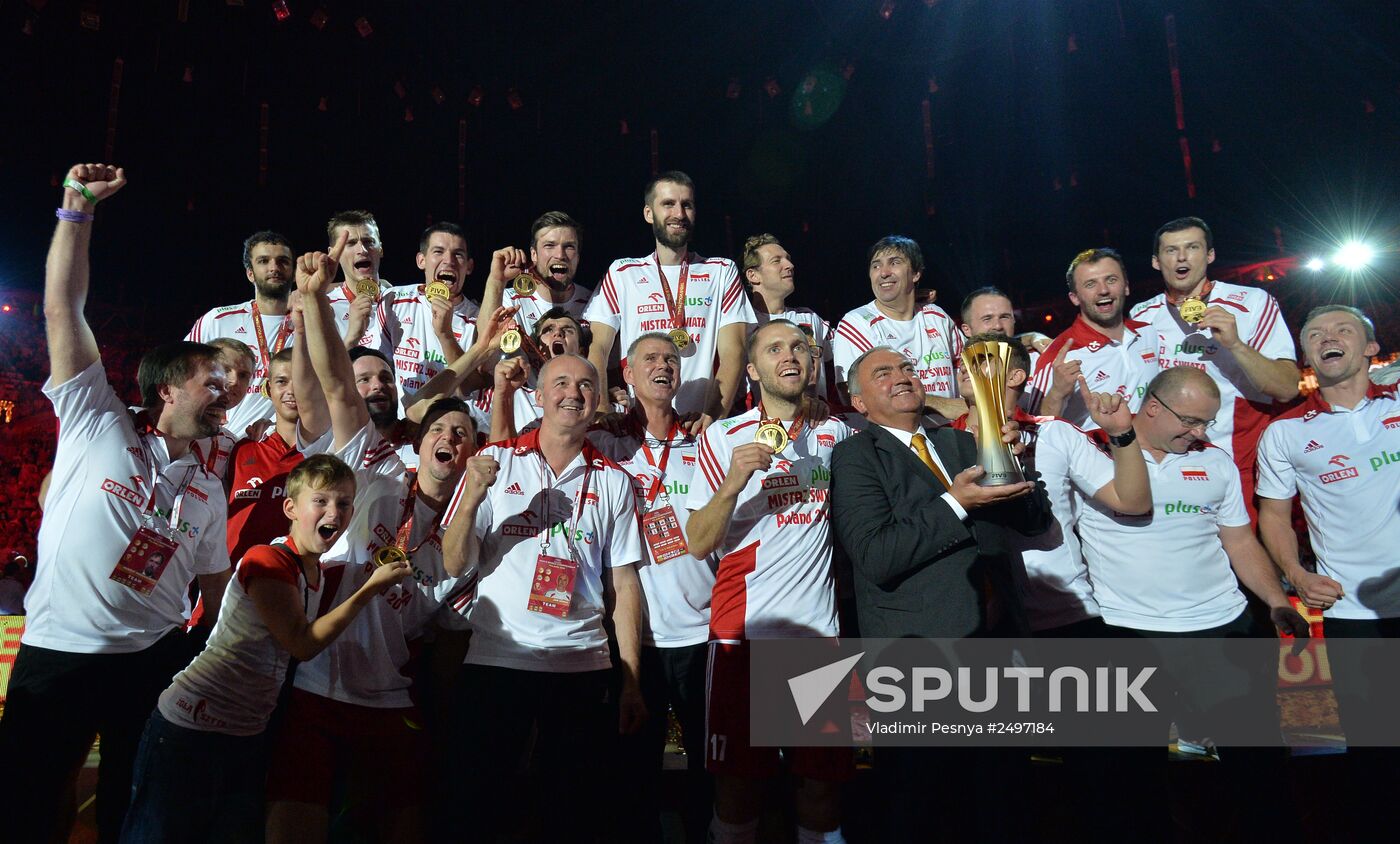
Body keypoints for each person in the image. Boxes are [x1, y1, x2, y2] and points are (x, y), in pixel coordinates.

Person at [0, 163, 233, 844]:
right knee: (26, 808)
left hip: (151, 661)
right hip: (60, 651)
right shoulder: (96, 419)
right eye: (212, 383)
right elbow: (61, 309)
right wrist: (76, 211)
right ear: (167, 388)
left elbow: (215, 580)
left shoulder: (208, 486)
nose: (226, 393)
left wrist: (191, 643)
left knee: (134, 813)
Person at [264, 231, 483, 843]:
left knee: (398, 823)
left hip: (392, 692)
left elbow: (451, 569)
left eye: (466, 435)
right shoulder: (361, 459)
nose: (373, 386)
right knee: (295, 820)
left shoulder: (441, 497)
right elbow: (335, 383)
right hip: (315, 683)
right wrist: (312, 303)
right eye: (445, 428)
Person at [119, 455, 413, 844]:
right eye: (321, 501)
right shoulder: (268, 558)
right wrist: (368, 590)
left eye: (343, 503)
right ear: (290, 508)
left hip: (245, 733)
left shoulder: (316, 573)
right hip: (192, 728)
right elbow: (301, 643)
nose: (334, 512)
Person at [829, 344, 1054, 841]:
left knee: (1003, 802)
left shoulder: (960, 444)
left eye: (907, 367)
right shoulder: (855, 456)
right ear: (860, 402)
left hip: (998, 653)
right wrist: (956, 502)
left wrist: (1010, 461)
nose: (902, 376)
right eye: (883, 373)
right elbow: (877, 556)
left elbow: (1035, 521)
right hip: (918, 663)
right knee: (924, 807)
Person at [440, 353, 646, 841]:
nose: (572, 393)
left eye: (585, 385)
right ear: (538, 396)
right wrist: (470, 496)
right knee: (477, 806)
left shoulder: (615, 481)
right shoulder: (498, 462)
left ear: (599, 402)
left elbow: (625, 585)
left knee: (569, 812)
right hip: (497, 658)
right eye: (560, 383)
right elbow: (453, 563)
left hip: (581, 666)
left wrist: (631, 679)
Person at [684, 319, 855, 844]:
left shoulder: (838, 432)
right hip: (744, 635)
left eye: (800, 346)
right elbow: (697, 540)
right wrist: (734, 484)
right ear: (753, 369)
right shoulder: (722, 436)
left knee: (821, 789)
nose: (791, 355)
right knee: (739, 789)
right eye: (775, 348)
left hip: (818, 640)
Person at [1256, 306, 1400, 819]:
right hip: (1353, 613)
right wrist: (1296, 574)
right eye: (1314, 334)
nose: (1326, 338)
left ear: (1370, 347)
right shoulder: (1286, 432)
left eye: (1343, 330)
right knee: (1377, 753)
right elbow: (1273, 518)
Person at [589, 333, 717, 842]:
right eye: (650, 358)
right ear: (626, 371)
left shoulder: (708, 441)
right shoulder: (604, 442)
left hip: (701, 633)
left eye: (671, 358)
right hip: (632, 638)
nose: (663, 365)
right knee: (633, 772)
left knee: (708, 767)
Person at [1131, 217, 1300, 511]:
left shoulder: (1253, 302)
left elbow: (1286, 388)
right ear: (1157, 262)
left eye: (1192, 247)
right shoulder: (1141, 315)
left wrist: (1235, 345)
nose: (1182, 257)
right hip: (1168, 466)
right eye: (1171, 251)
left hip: (1238, 462)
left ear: (1209, 255)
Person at [584, 170, 755, 428]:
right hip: (638, 426)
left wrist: (711, 417)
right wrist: (602, 409)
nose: (679, 214)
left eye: (687, 205)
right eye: (668, 204)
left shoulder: (721, 271)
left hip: (699, 425)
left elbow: (734, 352)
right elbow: (598, 347)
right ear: (648, 213)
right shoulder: (623, 273)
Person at [832, 235, 964, 420]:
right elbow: (852, 397)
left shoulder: (937, 317)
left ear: (916, 273)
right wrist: (944, 405)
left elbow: (967, 376)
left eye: (894, 263)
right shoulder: (857, 324)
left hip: (954, 434)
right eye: (876, 266)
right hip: (898, 439)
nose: (883, 272)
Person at [224, 339, 330, 567]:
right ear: (268, 388)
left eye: (302, 381)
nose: (292, 390)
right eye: (282, 381)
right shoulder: (240, 448)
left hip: (289, 584)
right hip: (228, 583)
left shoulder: (326, 456)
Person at [1029, 248, 1160, 429]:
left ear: (1127, 286)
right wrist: (1057, 393)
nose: (1104, 290)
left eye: (1111, 280)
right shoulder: (1059, 354)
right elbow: (1034, 428)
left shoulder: (1148, 333)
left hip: (1153, 454)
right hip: (1096, 455)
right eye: (1091, 284)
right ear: (1074, 298)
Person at [186, 230, 297, 433]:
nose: (274, 268)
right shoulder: (218, 320)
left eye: (283, 261)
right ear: (250, 273)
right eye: (264, 261)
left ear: (294, 270)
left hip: (284, 444)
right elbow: (180, 374)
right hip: (220, 439)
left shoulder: (312, 323)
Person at [383, 222, 480, 399]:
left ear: (469, 267)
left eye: (458, 254)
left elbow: (469, 390)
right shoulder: (393, 300)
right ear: (421, 260)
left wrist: (445, 334)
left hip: (445, 423)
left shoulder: (478, 321)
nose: (449, 261)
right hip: (396, 423)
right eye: (438, 251)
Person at [742, 233, 835, 403]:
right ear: (753, 275)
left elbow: (849, 357)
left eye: (788, 259)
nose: (790, 265)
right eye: (776, 261)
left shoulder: (810, 318)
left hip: (816, 424)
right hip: (764, 425)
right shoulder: (741, 325)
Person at [477, 307, 588, 441]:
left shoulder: (593, 398)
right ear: (536, 348)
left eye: (568, 330)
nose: (558, 333)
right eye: (548, 330)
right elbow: (449, 403)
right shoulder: (512, 392)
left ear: (581, 351)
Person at [483, 211, 593, 335]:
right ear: (534, 254)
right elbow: (483, 343)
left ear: (578, 256)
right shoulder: (511, 300)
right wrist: (496, 281)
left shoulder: (593, 302)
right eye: (550, 245)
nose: (560, 255)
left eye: (569, 246)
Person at [323, 209, 396, 354]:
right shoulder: (325, 310)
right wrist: (352, 337)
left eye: (368, 241)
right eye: (350, 243)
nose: (362, 250)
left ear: (380, 248)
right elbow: (323, 374)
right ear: (334, 253)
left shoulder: (402, 302)